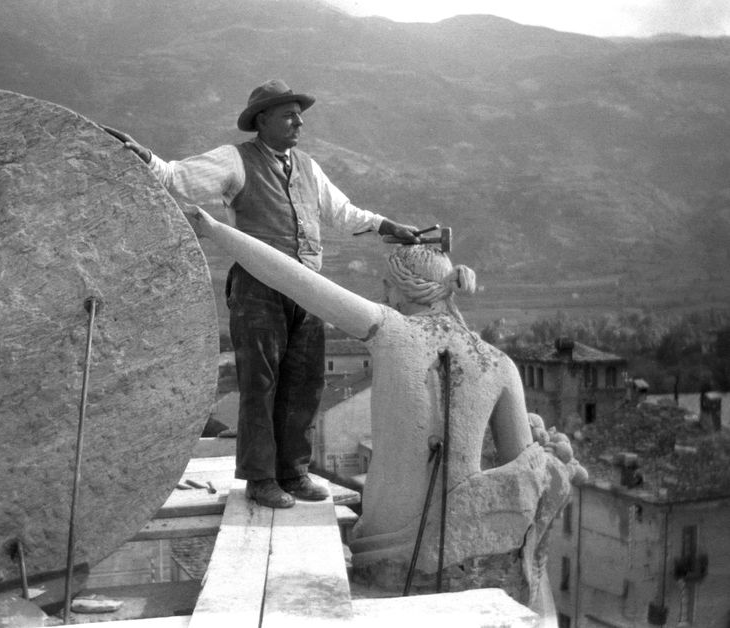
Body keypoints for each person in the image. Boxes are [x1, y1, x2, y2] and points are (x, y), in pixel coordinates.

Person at [182, 205, 587, 619]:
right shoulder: (498, 364)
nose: (382, 295)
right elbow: (522, 467)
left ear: (403, 288)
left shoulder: (389, 329)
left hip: (387, 553)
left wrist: (216, 230)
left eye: (386, 286)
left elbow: (291, 277)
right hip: (471, 555)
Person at [105, 79, 426, 508]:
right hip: (258, 289)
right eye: (288, 114)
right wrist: (144, 157)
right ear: (262, 120)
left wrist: (388, 226)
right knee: (261, 384)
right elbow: (176, 178)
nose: (298, 122)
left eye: (299, 115)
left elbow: (343, 213)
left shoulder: (309, 167)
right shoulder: (235, 161)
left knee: (305, 382)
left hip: (308, 289)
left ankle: (293, 474)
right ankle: (260, 480)